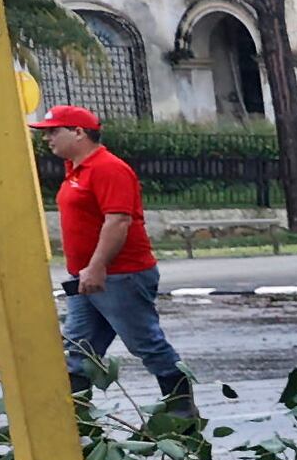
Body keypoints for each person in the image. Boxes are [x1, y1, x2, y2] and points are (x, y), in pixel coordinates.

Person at [38, 106, 190, 410]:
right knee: (79, 349)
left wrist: (97, 267)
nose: (48, 138)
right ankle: (74, 421)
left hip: (119, 274)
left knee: (146, 343)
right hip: (86, 277)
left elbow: (118, 221)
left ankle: (182, 412)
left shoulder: (108, 168)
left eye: (54, 131)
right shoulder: (76, 170)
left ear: (79, 132)